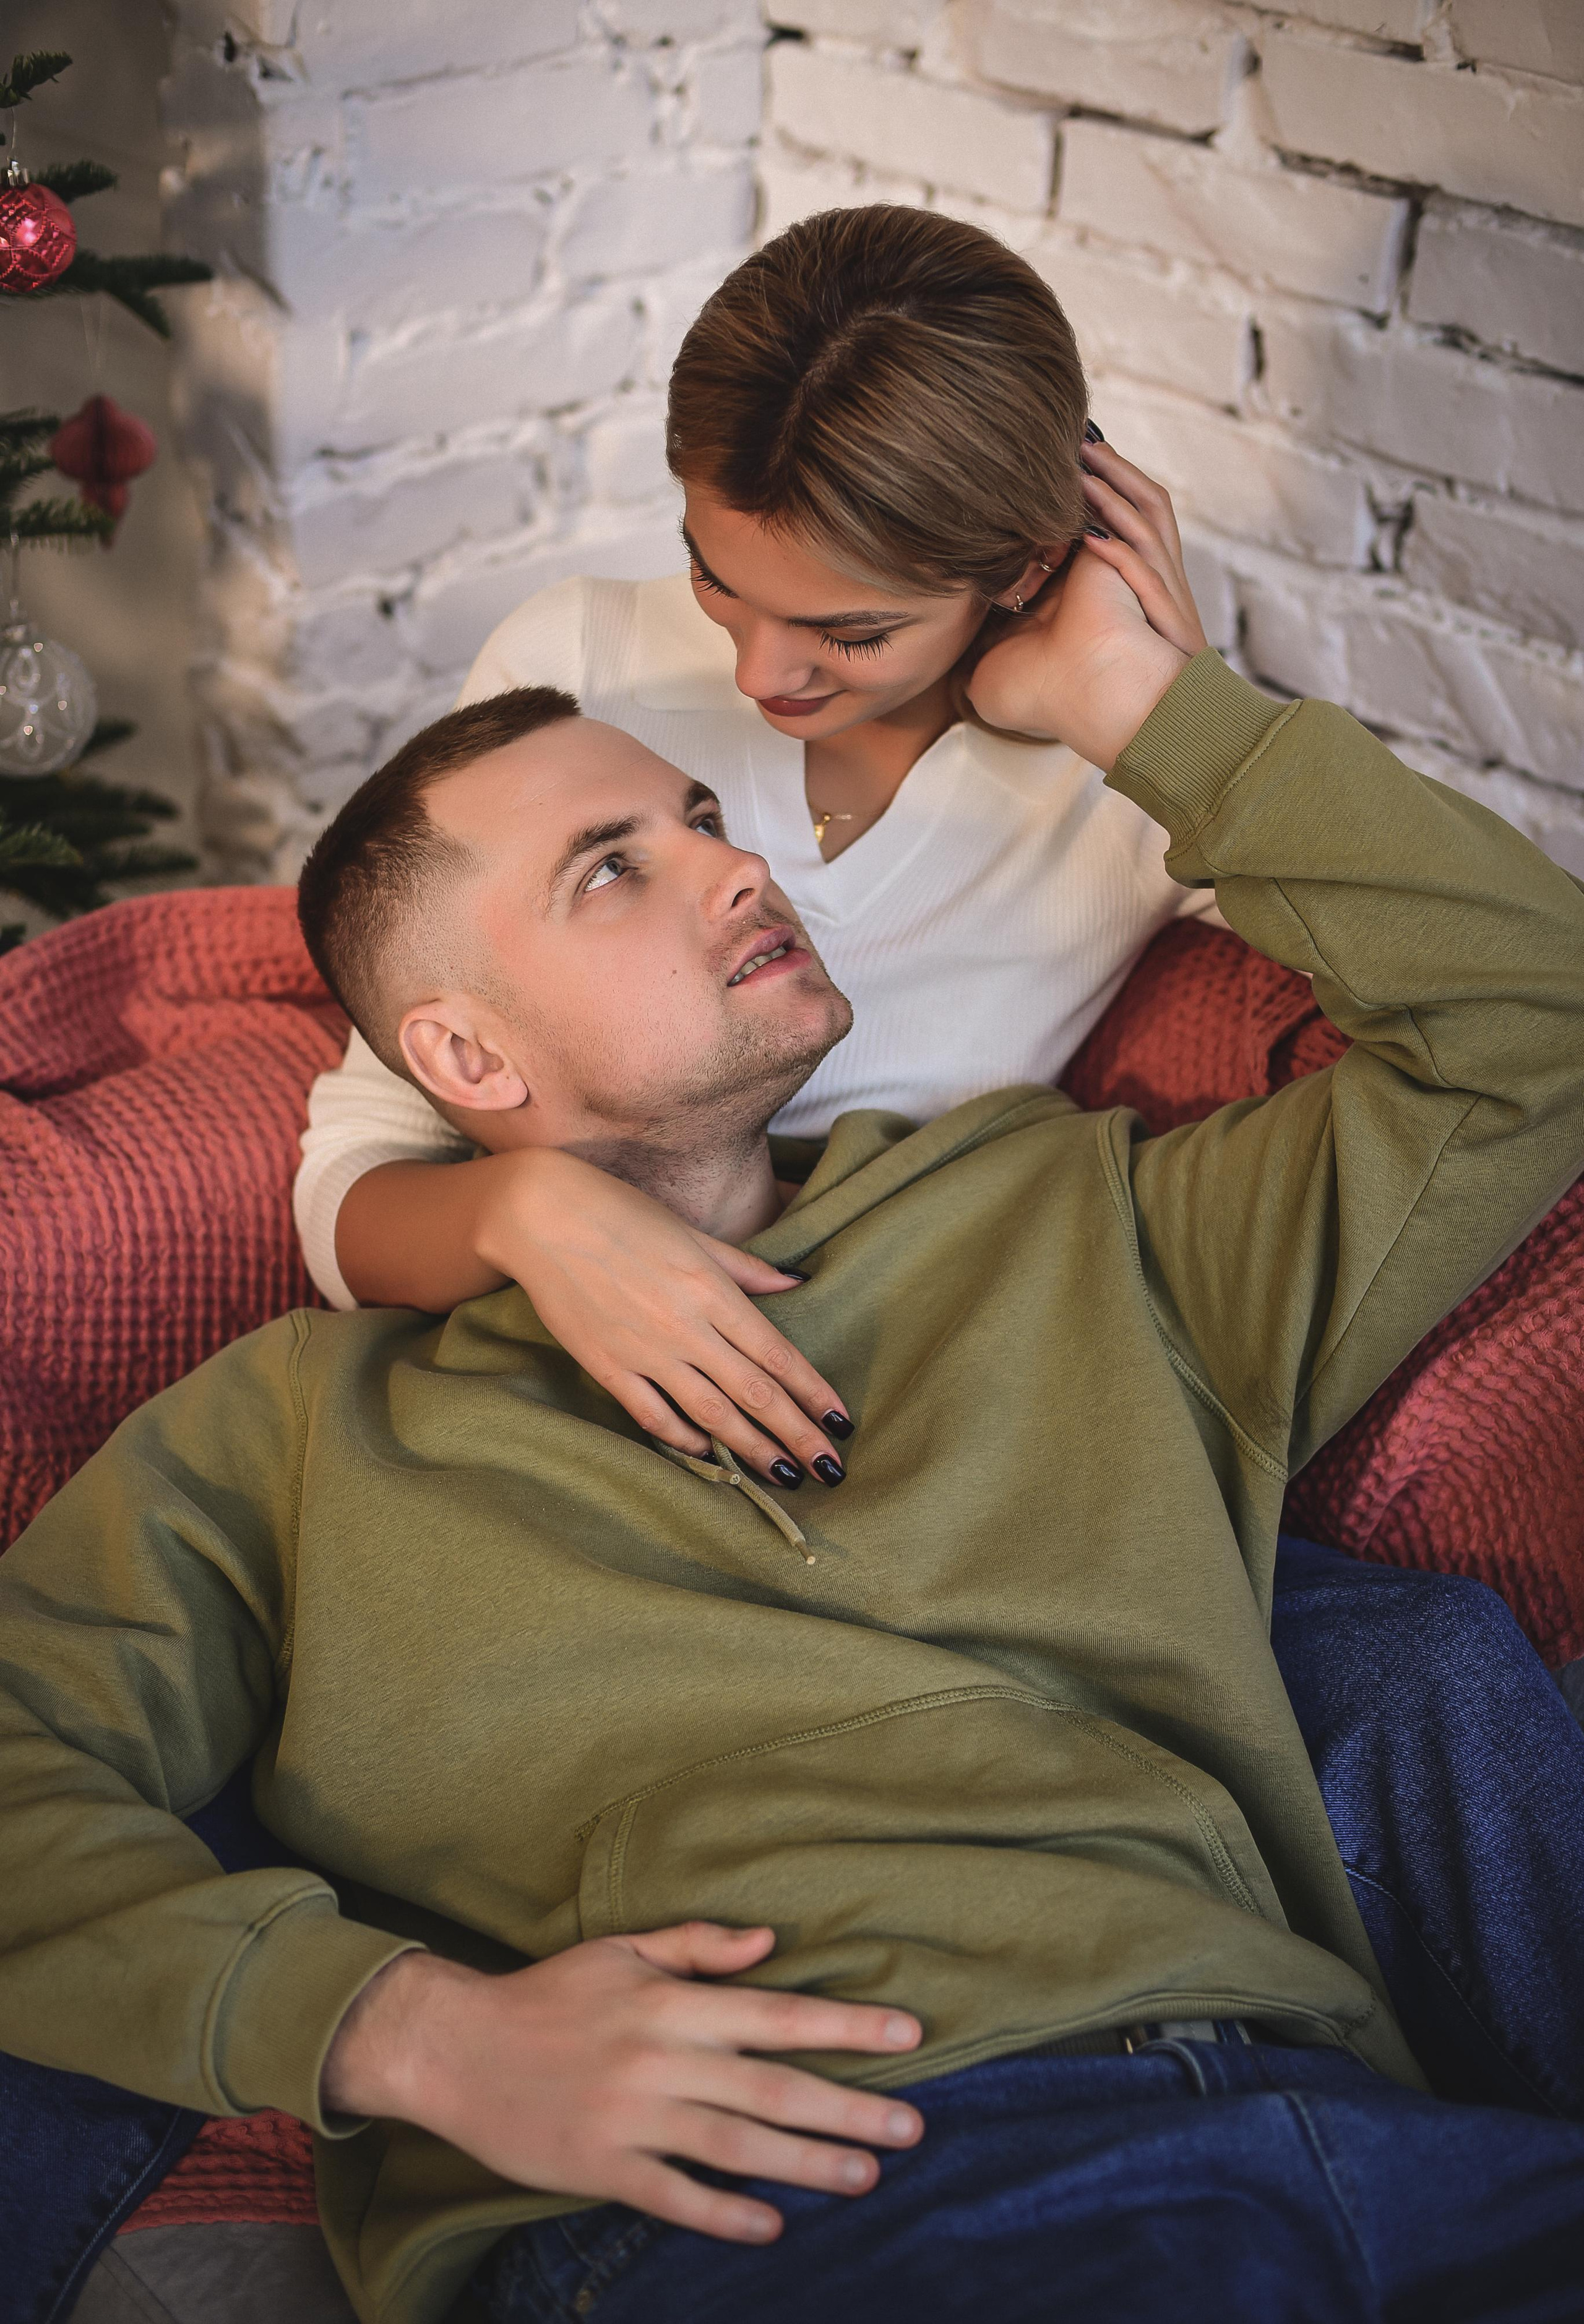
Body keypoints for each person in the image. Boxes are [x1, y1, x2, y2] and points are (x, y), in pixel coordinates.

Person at [3, 591, 1583, 2324]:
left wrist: (1142, 697)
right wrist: (398, 2032)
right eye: (613, 871)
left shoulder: (1064, 1213)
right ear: (462, 1054)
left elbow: (1531, 1019)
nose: (737, 864)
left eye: (700, 817)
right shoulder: (306, 1425)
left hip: (1351, 2119)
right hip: (803, 2191)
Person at [295, 202, 1223, 1481]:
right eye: (714, 573)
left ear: (1023, 567)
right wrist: (531, 1213)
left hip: (916, 1405)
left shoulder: (1124, 786)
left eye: (849, 632)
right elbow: (359, 1167)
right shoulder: (581, 666)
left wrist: (1171, 712)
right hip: (553, 1418)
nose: (757, 672)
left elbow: (1466, 994)